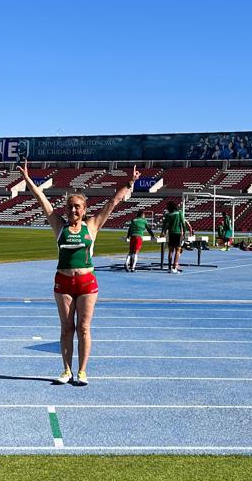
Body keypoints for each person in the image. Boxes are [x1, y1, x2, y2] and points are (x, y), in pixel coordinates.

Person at [20, 157, 139, 385]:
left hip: (86, 284)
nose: (73, 210)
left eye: (77, 207)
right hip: (63, 283)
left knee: (83, 328)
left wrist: (129, 183)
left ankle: (82, 371)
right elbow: (41, 199)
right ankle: (66, 370)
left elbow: (113, 202)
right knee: (67, 329)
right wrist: (27, 179)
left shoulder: (92, 225)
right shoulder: (59, 226)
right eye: (70, 207)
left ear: (84, 210)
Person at [162, 200, 191, 273]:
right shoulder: (179, 213)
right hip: (177, 233)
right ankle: (174, 267)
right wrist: (184, 232)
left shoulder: (168, 214)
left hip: (171, 233)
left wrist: (163, 232)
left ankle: (169, 267)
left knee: (170, 251)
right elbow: (182, 223)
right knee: (177, 250)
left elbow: (164, 224)